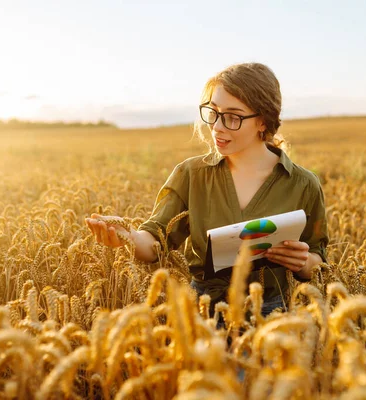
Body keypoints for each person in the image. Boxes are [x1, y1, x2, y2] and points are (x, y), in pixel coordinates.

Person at [85, 62, 328, 316]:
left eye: (233, 117)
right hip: (201, 313)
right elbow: (156, 241)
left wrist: (303, 262)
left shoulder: (303, 184)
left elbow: (318, 260)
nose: (217, 127)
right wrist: (128, 236)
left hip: (273, 316)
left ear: (263, 122)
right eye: (213, 112)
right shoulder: (191, 174)